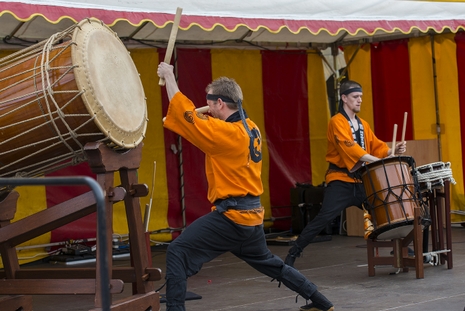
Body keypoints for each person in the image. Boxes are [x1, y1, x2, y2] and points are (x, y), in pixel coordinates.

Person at [157, 61, 335, 311]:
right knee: (273, 265)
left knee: (177, 251)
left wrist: (169, 76)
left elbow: (185, 115)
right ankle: (321, 302)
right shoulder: (251, 128)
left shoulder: (226, 134)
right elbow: (198, 121)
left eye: (210, 104)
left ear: (220, 103)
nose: (207, 108)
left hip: (232, 218)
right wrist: (206, 115)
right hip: (250, 220)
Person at [285, 79, 407, 267]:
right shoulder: (336, 122)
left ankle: (402, 247)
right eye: (355, 97)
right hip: (340, 180)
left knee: (384, 210)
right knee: (323, 217)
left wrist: (393, 151)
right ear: (344, 98)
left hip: (360, 182)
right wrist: (379, 161)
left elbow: (376, 146)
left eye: (361, 97)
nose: (359, 100)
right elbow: (350, 149)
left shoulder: (363, 124)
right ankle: (293, 253)